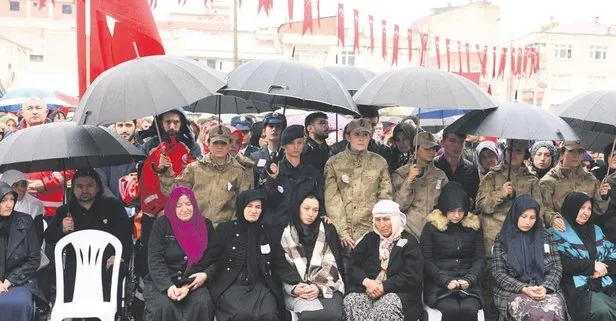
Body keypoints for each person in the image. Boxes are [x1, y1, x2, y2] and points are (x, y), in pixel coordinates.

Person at [476, 139, 544, 320]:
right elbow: (481, 205)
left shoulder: (531, 180)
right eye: (510, 150)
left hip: (521, 244)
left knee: (516, 288)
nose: (513, 154)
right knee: (491, 286)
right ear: (504, 151)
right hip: (494, 239)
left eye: (519, 151)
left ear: (525, 154)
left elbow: (539, 212)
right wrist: (500, 193)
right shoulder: (491, 176)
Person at [44, 169, 133, 306]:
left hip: (107, 262)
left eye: (89, 185)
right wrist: (61, 230)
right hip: (77, 264)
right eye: (79, 186)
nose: (84, 190)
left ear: (98, 187)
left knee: (116, 271)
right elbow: (49, 238)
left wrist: (120, 256)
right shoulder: (65, 211)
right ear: (73, 189)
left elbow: (126, 236)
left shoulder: (113, 206)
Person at [193, 190, 281, 321]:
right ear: (241, 207)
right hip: (231, 283)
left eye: (258, 207)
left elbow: (279, 262)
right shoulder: (226, 229)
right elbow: (210, 257)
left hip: (260, 285)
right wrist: (190, 276)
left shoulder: (267, 232)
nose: (253, 210)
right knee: (240, 315)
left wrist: (295, 284)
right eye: (249, 206)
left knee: (268, 315)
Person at [343, 200, 423, 321]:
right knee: (352, 301)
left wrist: (383, 287)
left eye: (386, 219)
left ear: (395, 219)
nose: (382, 225)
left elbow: (412, 276)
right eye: (378, 220)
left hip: (398, 292)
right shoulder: (369, 239)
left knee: (386, 307)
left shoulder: (409, 242)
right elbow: (353, 266)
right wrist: (367, 282)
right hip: (367, 289)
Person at [144, 186, 215, 321]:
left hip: (193, 280)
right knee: (164, 306)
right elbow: (155, 258)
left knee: (202, 302)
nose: (184, 209)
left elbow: (213, 257)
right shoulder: (162, 224)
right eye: (179, 205)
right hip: (164, 280)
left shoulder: (205, 225)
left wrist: (204, 276)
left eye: (188, 204)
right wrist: (168, 286)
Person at [159, 125, 252, 226]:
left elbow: (244, 203)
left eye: (223, 143)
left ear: (229, 145)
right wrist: (165, 171)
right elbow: (174, 192)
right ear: (208, 144)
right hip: (196, 226)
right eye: (216, 143)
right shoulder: (194, 169)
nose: (219, 146)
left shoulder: (239, 171)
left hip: (225, 231)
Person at [324, 119, 392, 255]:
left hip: (372, 230)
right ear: (348, 136)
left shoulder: (379, 162)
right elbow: (332, 199)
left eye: (365, 135)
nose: (361, 138)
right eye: (357, 134)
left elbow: (385, 196)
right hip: (343, 231)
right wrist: (342, 232)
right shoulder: (334, 163)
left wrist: (378, 228)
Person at [492, 195, 565, 321]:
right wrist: (523, 288)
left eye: (532, 217)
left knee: (554, 309)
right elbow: (498, 273)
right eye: (523, 216)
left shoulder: (546, 236)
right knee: (534, 312)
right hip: (514, 291)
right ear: (515, 215)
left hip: (544, 288)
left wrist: (546, 287)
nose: (528, 222)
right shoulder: (503, 239)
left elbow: (556, 266)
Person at [274, 193, 344, 321]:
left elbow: (332, 261)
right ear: (298, 208)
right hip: (295, 285)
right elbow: (281, 265)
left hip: (327, 283)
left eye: (315, 210)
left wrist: (318, 287)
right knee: (310, 315)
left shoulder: (327, 229)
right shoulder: (284, 231)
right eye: (306, 209)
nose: (310, 214)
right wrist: (296, 287)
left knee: (334, 314)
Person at [420, 182, 484, 321]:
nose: (456, 215)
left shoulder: (473, 227)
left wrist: (470, 279)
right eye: (452, 211)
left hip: (468, 284)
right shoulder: (431, 227)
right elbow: (426, 260)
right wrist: (445, 280)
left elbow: (479, 258)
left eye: (460, 211)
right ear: (444, 208)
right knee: (450, 309)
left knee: (470, 309)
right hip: (438, 284)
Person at [551, 192, 616, 321]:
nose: (586, 213)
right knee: (602, 310)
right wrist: (591, 267)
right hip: (576, 286)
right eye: (581, 208)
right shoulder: (556, 233)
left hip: (604, 281)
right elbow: (560, 263)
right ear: (571, 208)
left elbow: (613, 254)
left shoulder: (596, 230)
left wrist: (603, 269)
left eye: (589, 208)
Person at [259, 125, 324, 231]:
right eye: (291, 143)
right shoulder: (273, 170)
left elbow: (319, 199)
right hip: (277, 228)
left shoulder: (313, 173)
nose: (296, 147)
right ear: (284, 145)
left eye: (299, 142)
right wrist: (272, 179)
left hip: (303, 229)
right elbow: (266, 200)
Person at [16, 97, 72, 218]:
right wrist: (20, 185)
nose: (34, 111)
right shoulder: (14, 139)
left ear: (46, 112)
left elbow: (70, 167)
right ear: (22, 113)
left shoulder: (59, 137)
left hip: (52, 209)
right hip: (21, 208)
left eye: (38, 108)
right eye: (30, 108)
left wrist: (45, 183)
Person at [541, 141, 611, 232]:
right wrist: (552, 219)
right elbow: (544, 209)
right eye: (572, 151)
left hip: (586, 231)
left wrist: (603, 197)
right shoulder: (548, 181)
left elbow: (597, 211)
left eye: (580, 152)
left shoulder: (590, 179)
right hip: (561, 231)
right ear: (562, 154)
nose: (576, 156)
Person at [0, 182, 45, 321]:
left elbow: (34, 259)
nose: (9, 205)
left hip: (20, 280)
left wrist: (8, 281)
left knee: (18, 304)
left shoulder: (24, 221)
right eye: (3, 200)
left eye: (12, 199)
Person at [392, 132, 448, 238]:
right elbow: (398, 205)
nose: (431, 152)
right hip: (408, 231)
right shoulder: (401, 173)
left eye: (433, 149)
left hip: (433, 232)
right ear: (416, 149)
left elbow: (446, 203)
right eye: (427, 149)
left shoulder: (440, 175)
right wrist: (409, 179)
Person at [434, 130, 480, 208]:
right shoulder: (433, 166)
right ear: (442, 142)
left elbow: (476, 197)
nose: (457, 146)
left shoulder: (471, 170)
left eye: (461, 142)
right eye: (452, 141)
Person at [250, 112, 287, 187]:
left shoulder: (287, 155)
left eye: (278, 126)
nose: (274, 129)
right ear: (264, 130)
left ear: (283, 130)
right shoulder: (255, 156)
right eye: (271, 126)